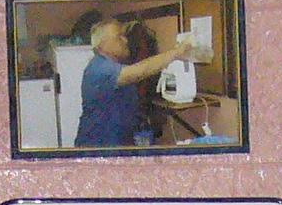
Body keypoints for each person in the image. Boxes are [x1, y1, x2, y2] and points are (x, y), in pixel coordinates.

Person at [74, 17, 196, 147]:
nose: (126, 40)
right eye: (119, 37)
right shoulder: (100, 68)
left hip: (119, 144)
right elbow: (138, 72)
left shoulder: (117, 66)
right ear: (102, 45)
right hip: (97, 148)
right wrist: (176, 53)